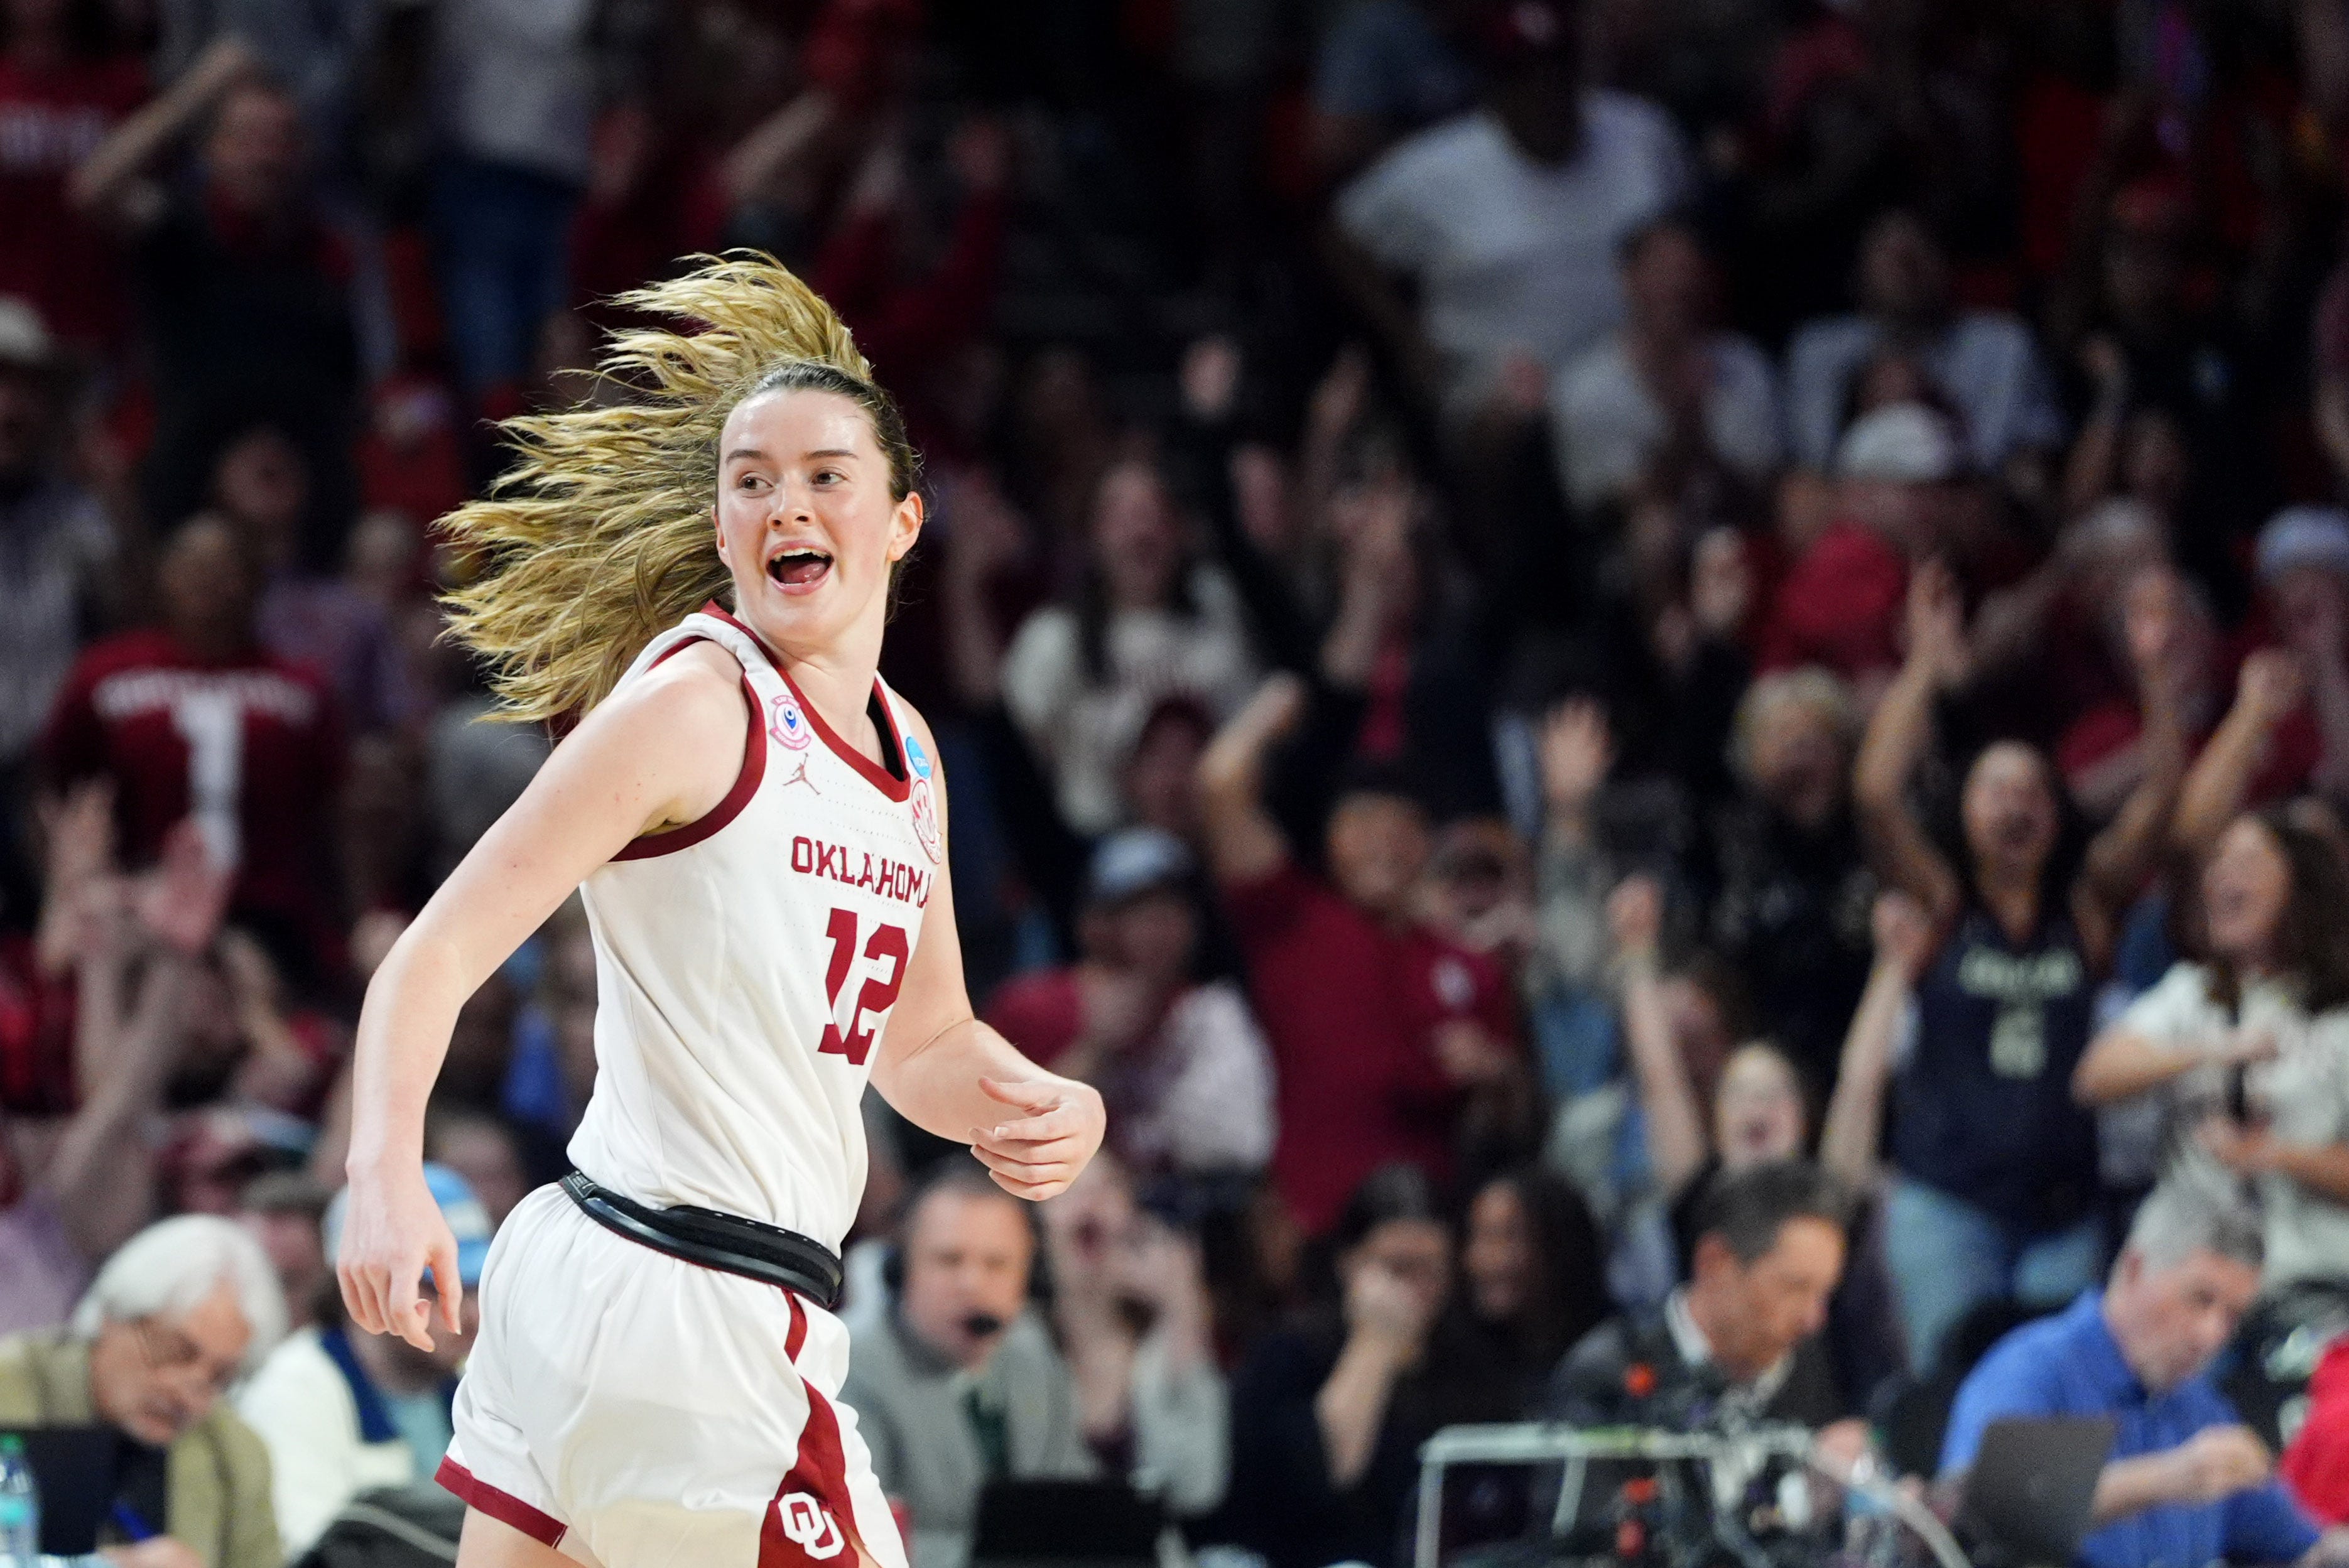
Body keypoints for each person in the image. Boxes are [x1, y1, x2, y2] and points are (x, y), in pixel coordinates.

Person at [332, 257, 1105, 1567]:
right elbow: (438, 947)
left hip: (608, 1291)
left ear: (903, 522)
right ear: (722, 518)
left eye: (822, 476)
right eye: (751, 478)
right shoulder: (701, 705)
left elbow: (919, 1048)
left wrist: (1043, 1099)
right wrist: (380, 1174)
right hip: (690, 1303)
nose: (783, 503)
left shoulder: (908, 754)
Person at [1853, 561, 2186, 1371]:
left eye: (2033, 791)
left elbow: (2161, 798)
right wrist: (1925, 669)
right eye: (1994, 790)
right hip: (1946, 1204)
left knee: (2051, 1405)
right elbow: (1872, 792)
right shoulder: (1940, 908)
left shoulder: (2083, 911)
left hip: (2061, 1212)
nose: (2015, 805)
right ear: (1961, 813)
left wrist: (2152, 677)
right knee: (1948, 1393)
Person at [1196, 674, 1521, 1234]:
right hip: (1316, 1221)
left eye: (1401, 827)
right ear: (1330, 842)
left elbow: (1518, 1110)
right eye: (1362, 825)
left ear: (1427, 844)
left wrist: (1494, 1075)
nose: (1383, 843)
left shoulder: (1469, 964)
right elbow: (1217, 786)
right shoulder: (1294, 917)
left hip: (1432, 1224)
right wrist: (1273, 707)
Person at [1939, 1181, 2347, 1568]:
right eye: (2200, 1299)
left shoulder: (2199, 1405)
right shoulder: (2033, 1368)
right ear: (2135, 1268)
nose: (2212, 1334)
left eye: (2232, 1316)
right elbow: (1977, 1509)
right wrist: (2167, 1477)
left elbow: (2304, 1540)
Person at [2075, 808, 2349, 1296]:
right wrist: (2212, 1050)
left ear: (2301, 886)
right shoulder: (2191, 993)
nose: (2223, 874)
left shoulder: (2338, 1015)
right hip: (2187, 1276)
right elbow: (2095, 1077)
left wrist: (2276, 1154)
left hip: (2311, 1282)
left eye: (2247, 861)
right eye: (2218, 862)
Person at [1224, 1164, 1502, 1568]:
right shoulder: (1289, 1354)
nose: (1413, 1288)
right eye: (1395, 1267)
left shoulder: (1473, 1360)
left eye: (1429, 1268)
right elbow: (1327, 1474)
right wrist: (1374, 1343)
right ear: (1349, 1264)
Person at [984, 828, 1276, 1177]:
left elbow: (1247, 1142)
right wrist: (1096, 1051)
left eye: (1175, 905)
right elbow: (989, 1138)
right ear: (1094, 924)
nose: (1163, 925)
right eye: (1141, 909)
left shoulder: (1204, 1009)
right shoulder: (1030, 1007)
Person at [842, 1164, 1093, 1568]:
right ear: (901, 1269)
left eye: (997, 1264)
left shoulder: (1034, 1362)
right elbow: (862, 1538)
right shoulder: (850, 1366)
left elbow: (1074, 1498)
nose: (973, 1284)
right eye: (949, 1260)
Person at [0, 1213, 286, 1567]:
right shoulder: (8, 1387)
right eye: (175, 1352)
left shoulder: (235, 1457)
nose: (187, 1390)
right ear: (111, 1314)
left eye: (220, 1376)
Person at [239, 1164, 492, 1557]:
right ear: (363, 1283)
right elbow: (313, 1559)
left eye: (475, 1287)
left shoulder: (477, 1382)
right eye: (438, 1286)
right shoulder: (292, 1392)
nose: (468, 1314)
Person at [1544, 1159, 1856, 1433]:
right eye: (1794, 1288)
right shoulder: (1606, 1376)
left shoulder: (1812, 1370)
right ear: (1715, 1263)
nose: (1814, 1319)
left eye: (1823, 1293)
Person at [1784, 210, 2068, 477]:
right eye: (1890, 256)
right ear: (1860, 269)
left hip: (1970, 500)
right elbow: (1813, 460)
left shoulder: (2004, 343)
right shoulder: (1819, 347)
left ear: (1946, 261)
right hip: (1855, 499)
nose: (1907, 269)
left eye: (1918, 251)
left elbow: (2031, 453)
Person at [1548, 215, 1783, 516]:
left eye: (1686, 267)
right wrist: (1686, 422)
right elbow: (1616, 510)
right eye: (1662, 270)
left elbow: (1765, 491)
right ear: (1629, 279)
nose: (1677, 282)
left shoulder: (1744, 365)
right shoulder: (1584, 388)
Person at [1037, 1157, 1230, 1518]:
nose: (1088, 1202)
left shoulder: (1164, 1346)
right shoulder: (1017, 1345)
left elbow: (1199, 1488)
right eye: (1068, 1188)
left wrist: (1181, 1310)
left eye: (1105, 1188)